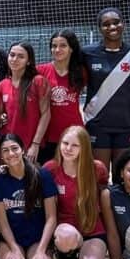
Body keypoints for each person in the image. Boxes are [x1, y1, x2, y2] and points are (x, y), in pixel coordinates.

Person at [44, 126, 122, 259]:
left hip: (92, 230)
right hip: (65, 230)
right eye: (65, 143)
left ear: (84, 148)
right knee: (67, 236)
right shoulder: (50, 169)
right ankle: (66, 255)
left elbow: (105, 199)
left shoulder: (98, 169)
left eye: (75, 145)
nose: (68, 149)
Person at [82, 8, 130, 173]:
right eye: (106, 24)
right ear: (99, 28)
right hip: (97, 124)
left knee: (123, 177)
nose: (112, 27)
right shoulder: (87, 53)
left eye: (116, 22)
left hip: (126, 124)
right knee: (99, 176)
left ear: (123, 24)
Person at [0, 133, 57, 259]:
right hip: (10, 240)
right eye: (5, 150)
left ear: (22, 150)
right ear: (0, 156)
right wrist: (14, 249)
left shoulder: (42, 176)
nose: (10, 154)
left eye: (14, 148)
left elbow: (51, 218)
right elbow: (2, 222)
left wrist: (42, 250)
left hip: (37, 240)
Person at [37, 29, 85, 164]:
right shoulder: (40, 71)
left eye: (63, 45)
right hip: (48, 135)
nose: (57, 49)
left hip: (74, 134)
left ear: (71, 49)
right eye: (54, 46)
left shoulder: (81, 72)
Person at [0, 41, 50, 162]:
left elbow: (46, 114)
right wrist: (1, 117)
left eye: (21, 56)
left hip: (32, 146)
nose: (14, 59)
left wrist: (35, 144)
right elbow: (1, 115)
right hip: (10, 147)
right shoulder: (2, 85)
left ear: (29, 61)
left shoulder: (38, 81)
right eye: (12, 55)